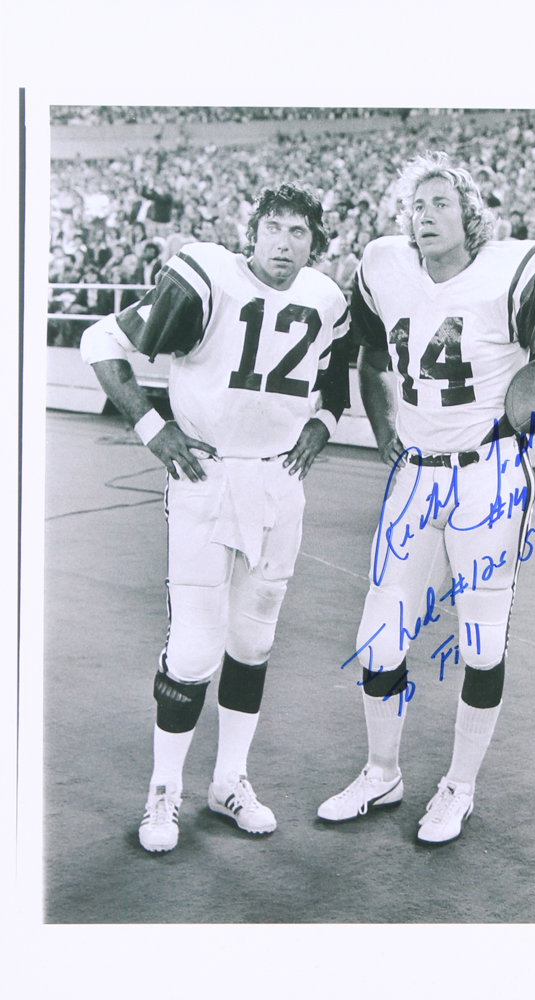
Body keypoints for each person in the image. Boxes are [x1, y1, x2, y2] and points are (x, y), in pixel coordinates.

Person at [317, 152, 535, 844]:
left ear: (470, 216)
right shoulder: (383, 266)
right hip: (417, 474)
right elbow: (369, 354)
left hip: (489, 475)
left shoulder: (511, 272)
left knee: (480, 642)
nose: (425, 215)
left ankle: (459, 786)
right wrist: (385, 429)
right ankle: (381, 772)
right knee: (378, 638)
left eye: (440, 203)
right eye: (416, 205)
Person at [80, 184, 351, 852]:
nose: (283, 243)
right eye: (273, 227)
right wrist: (152, 426)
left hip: (279, 481)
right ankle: (163, 791)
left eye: (298, 232)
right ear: (250, 231)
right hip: (206, 475)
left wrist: (322, 422)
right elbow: (100, 338)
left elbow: (335, 376)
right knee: (196, 646)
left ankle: (229, 781)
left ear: (315, 244)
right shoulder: (207, 275)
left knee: (253, 642)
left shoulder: (326, 297)